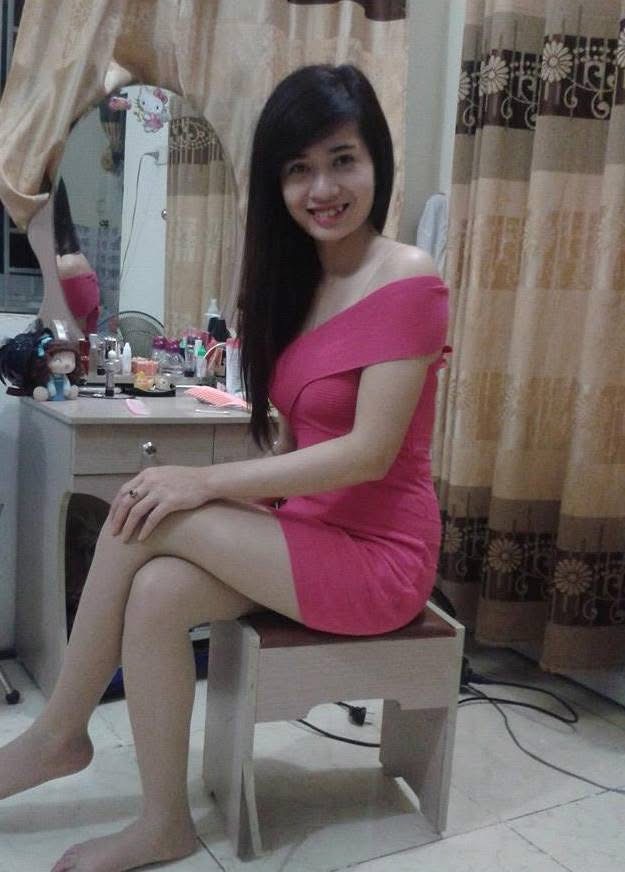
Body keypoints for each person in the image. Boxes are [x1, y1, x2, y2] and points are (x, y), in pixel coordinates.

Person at [0, 64, 450, 871]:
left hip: (382, 556)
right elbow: (296, 438)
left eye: (342, 160)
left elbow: (367, 452)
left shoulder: (408, 276)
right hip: (312, 532)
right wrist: (225, 492)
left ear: (375, 162)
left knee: (150, 507)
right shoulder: (300, 285)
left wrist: (204, 483)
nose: (322, 188)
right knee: (157, 589)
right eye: (298, 168)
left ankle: (57, 734)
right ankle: (163, 822)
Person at [53, 176, 102, 336]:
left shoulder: (64, 264)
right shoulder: (75, 259)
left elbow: (77, 330)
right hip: (86, 335)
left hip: (81, 340)